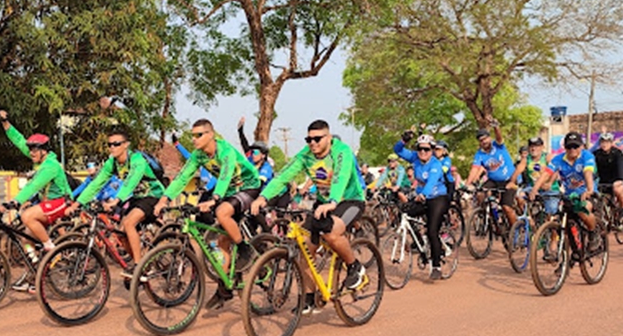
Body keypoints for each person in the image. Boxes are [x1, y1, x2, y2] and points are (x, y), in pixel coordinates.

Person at [252, 119, 367, 312]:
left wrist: (333, 201)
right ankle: (309, 297)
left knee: (331, 233)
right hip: (324, 203)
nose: (312, 143)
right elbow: (283, 177)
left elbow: (340, 176)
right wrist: (263, 197)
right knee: (304, 247)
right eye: (309, 139)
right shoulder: (305, 156)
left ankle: (355, 266)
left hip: (349, 200)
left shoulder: (341, 152)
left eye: (317, 139)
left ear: (328, 138)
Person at [155, 119, 262, 309]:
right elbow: (183, 177)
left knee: (221, 213)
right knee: (221, 243)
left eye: (199, 135)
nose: (194, 139)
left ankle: (245, 248)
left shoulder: (225, 151)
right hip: (229, 192)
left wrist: (215, 198)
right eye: (192, 136)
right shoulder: (198, 155)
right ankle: (224, 290)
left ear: (211, 134)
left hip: (248, 186)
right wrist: (164, 199)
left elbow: (225, 174)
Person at [68, 128, 167, 274]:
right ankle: (142, 266)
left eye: (116, 144)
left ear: (126, 144)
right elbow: (96, 184)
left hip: (154, 196)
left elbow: (131, 181)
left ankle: (138, 265)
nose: (112, 147)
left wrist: (117, 200)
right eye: (109, 145)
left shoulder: (137, 160)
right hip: (137, 198)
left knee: (128, 223)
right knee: (120, 233)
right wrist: (77, 203)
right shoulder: (112, 163)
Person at [0, 111, 73, 263]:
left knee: (27, 216)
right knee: (26, 237)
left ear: (44, 150)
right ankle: (36, 268)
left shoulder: (50, 166)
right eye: (30, 149)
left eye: (34, 149)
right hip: (46, 203)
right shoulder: (39, 158)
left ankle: (52, 249)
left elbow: (33, 185)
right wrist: (6, 123)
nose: (31, 153)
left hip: (61, 202)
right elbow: (20, 141)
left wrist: (17, 201)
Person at [530, 131, 599, 250]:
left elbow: (588, 173)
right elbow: (546, 174)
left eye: (575, 146)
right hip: (568, 195)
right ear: (565, 148)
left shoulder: (587, 156)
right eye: (569, 146)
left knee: (582, 209)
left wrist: (589, 190)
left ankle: (593, 233)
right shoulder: (558, 159)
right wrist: (534, 190)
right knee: (558, 218)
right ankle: (563, 254)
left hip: (587, 192)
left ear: (581, 146)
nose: (572, 149)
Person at [394, 132, 450, 280]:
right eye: (420, 149)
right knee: (405, 213)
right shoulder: (415, 158)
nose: (423, 152)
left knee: (432, 231)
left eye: (426, 149)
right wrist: (403, 140)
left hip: (437, 198)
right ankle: (419, 243)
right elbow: (398, 151)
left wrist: (423, 194)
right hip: (422, 197)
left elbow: (431, 182)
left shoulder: (436, 164)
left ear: (432, 150)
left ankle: (436, 265)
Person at [464, 120, 518, 227]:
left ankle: (515, 230)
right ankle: (490, 218)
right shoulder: (479, 154)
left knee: (506, 207)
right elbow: (475, 169)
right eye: (481, 140)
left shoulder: (497, 146)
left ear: (489, 138)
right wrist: (467, 184)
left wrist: (496, 127)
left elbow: (499, 138)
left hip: (509, 179)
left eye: (485, 139)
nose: (483, 141)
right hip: (493, 180)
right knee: (480, 194)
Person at [509, 137, 561, 215]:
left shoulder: (548, 157)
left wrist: (549, 183)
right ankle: (529, 220)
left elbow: (555, 172)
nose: (533, 149)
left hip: (550, 189)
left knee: (551, 213)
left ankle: (549, 224)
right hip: (532, 188)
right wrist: (512, 182)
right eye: (531, 146)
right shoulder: (526, 159)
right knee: (519, 196)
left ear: (542, 147)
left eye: (536, 146)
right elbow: (517, 171)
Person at [592, 131, 623, 215]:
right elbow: (591, 167)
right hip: (602, 181)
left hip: (617, 179)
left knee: (618, 190)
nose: (604, 144)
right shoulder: (596, 154)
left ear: (611, 143)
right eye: (602, 142)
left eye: (607, 142)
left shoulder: (617, 153)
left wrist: (619, 179)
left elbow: (621, 166)